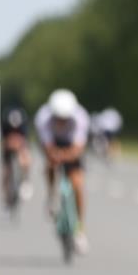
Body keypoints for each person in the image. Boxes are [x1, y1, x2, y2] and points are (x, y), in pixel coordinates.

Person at [34, 89, 90, 253]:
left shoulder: (81, 117)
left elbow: (78, 148)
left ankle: (79, 229)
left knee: (78, 184)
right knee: (50, 166)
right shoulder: (43, 118)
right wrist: (54, 156)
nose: (61, 121)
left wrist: (66, 156)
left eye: (64, 119)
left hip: (71, 145)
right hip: (53, 143)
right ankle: (51, 196)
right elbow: (47, 146)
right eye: (58, 118)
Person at [0, 106, 33, 205]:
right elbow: (3, 141)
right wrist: (8, 144)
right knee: (6, 171)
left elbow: (25, 141)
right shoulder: (5, 125)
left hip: (20, 145)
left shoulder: (23, 126)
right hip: (8, 146)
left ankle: (26, 179)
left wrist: (19, 145)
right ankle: (5, 196)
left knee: (26, 158)